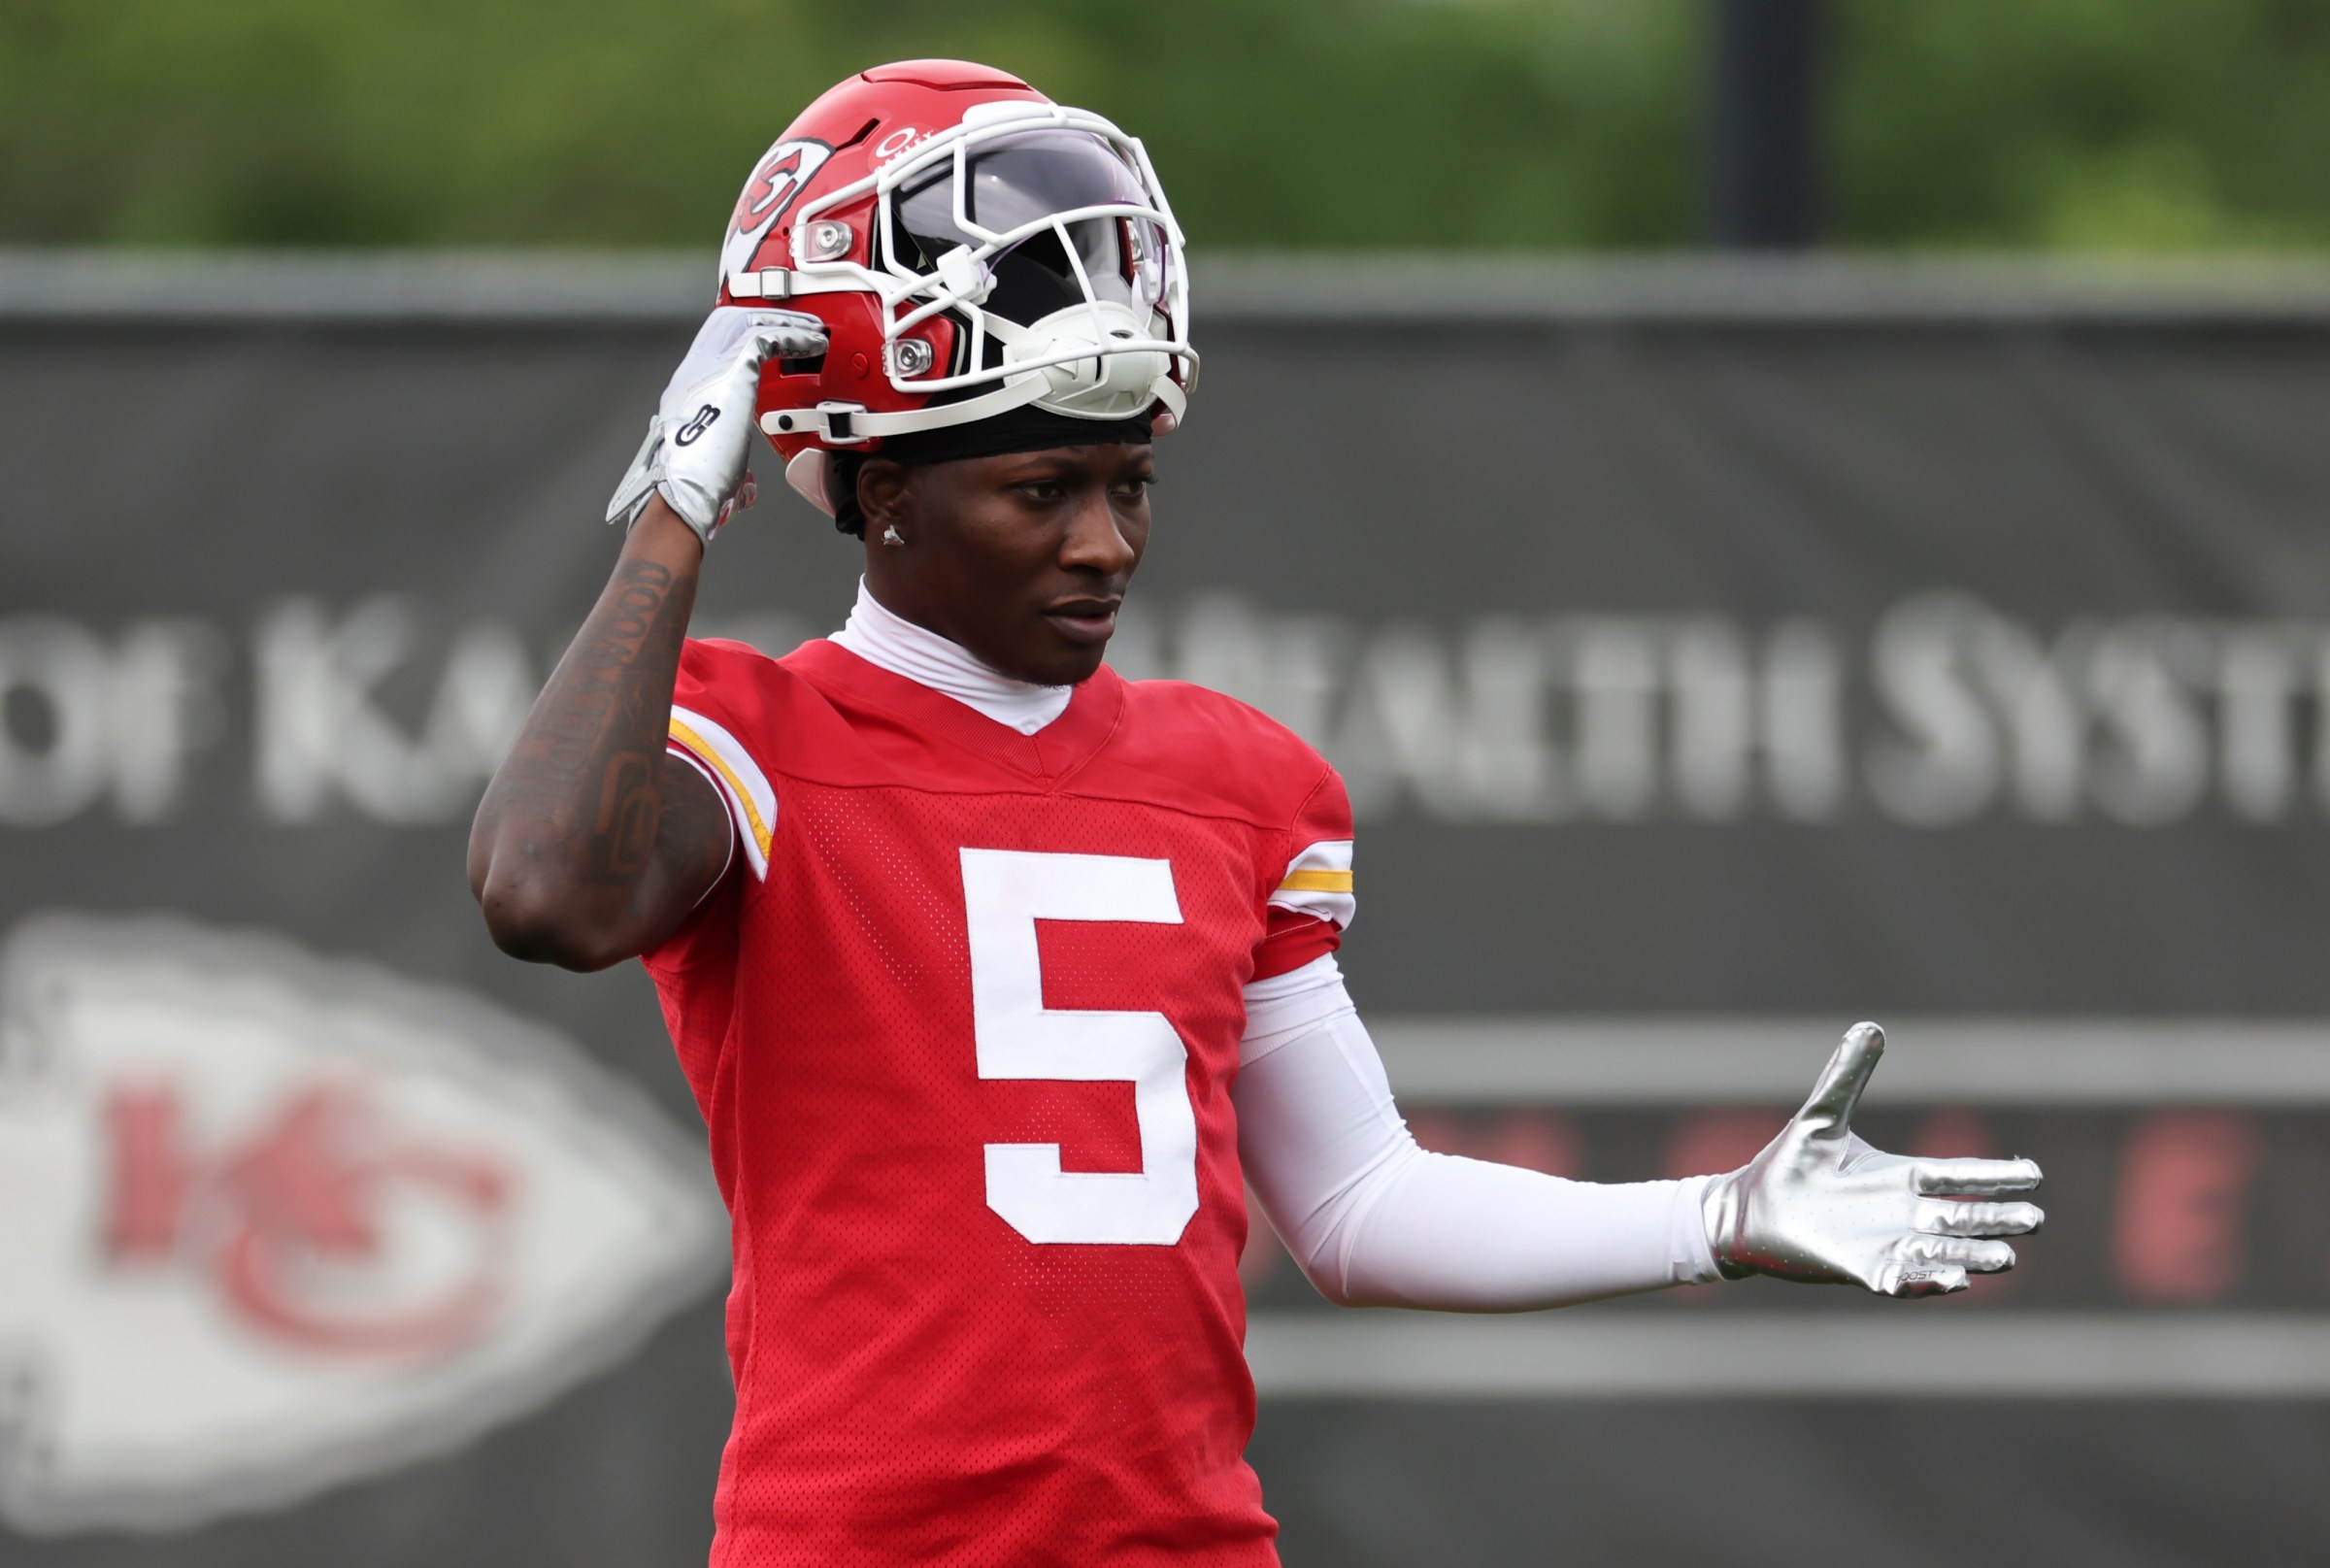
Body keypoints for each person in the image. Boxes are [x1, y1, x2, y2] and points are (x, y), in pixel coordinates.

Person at [468, 60, 2045, 1568]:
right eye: (1042, 489)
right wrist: (678, 509)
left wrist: (1716, 1217)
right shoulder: (759, 739)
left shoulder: (1230, 784)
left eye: (1130, 484)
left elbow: (1358, 1206)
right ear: (885, 493)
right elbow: (544, 893)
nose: (1105, 543)